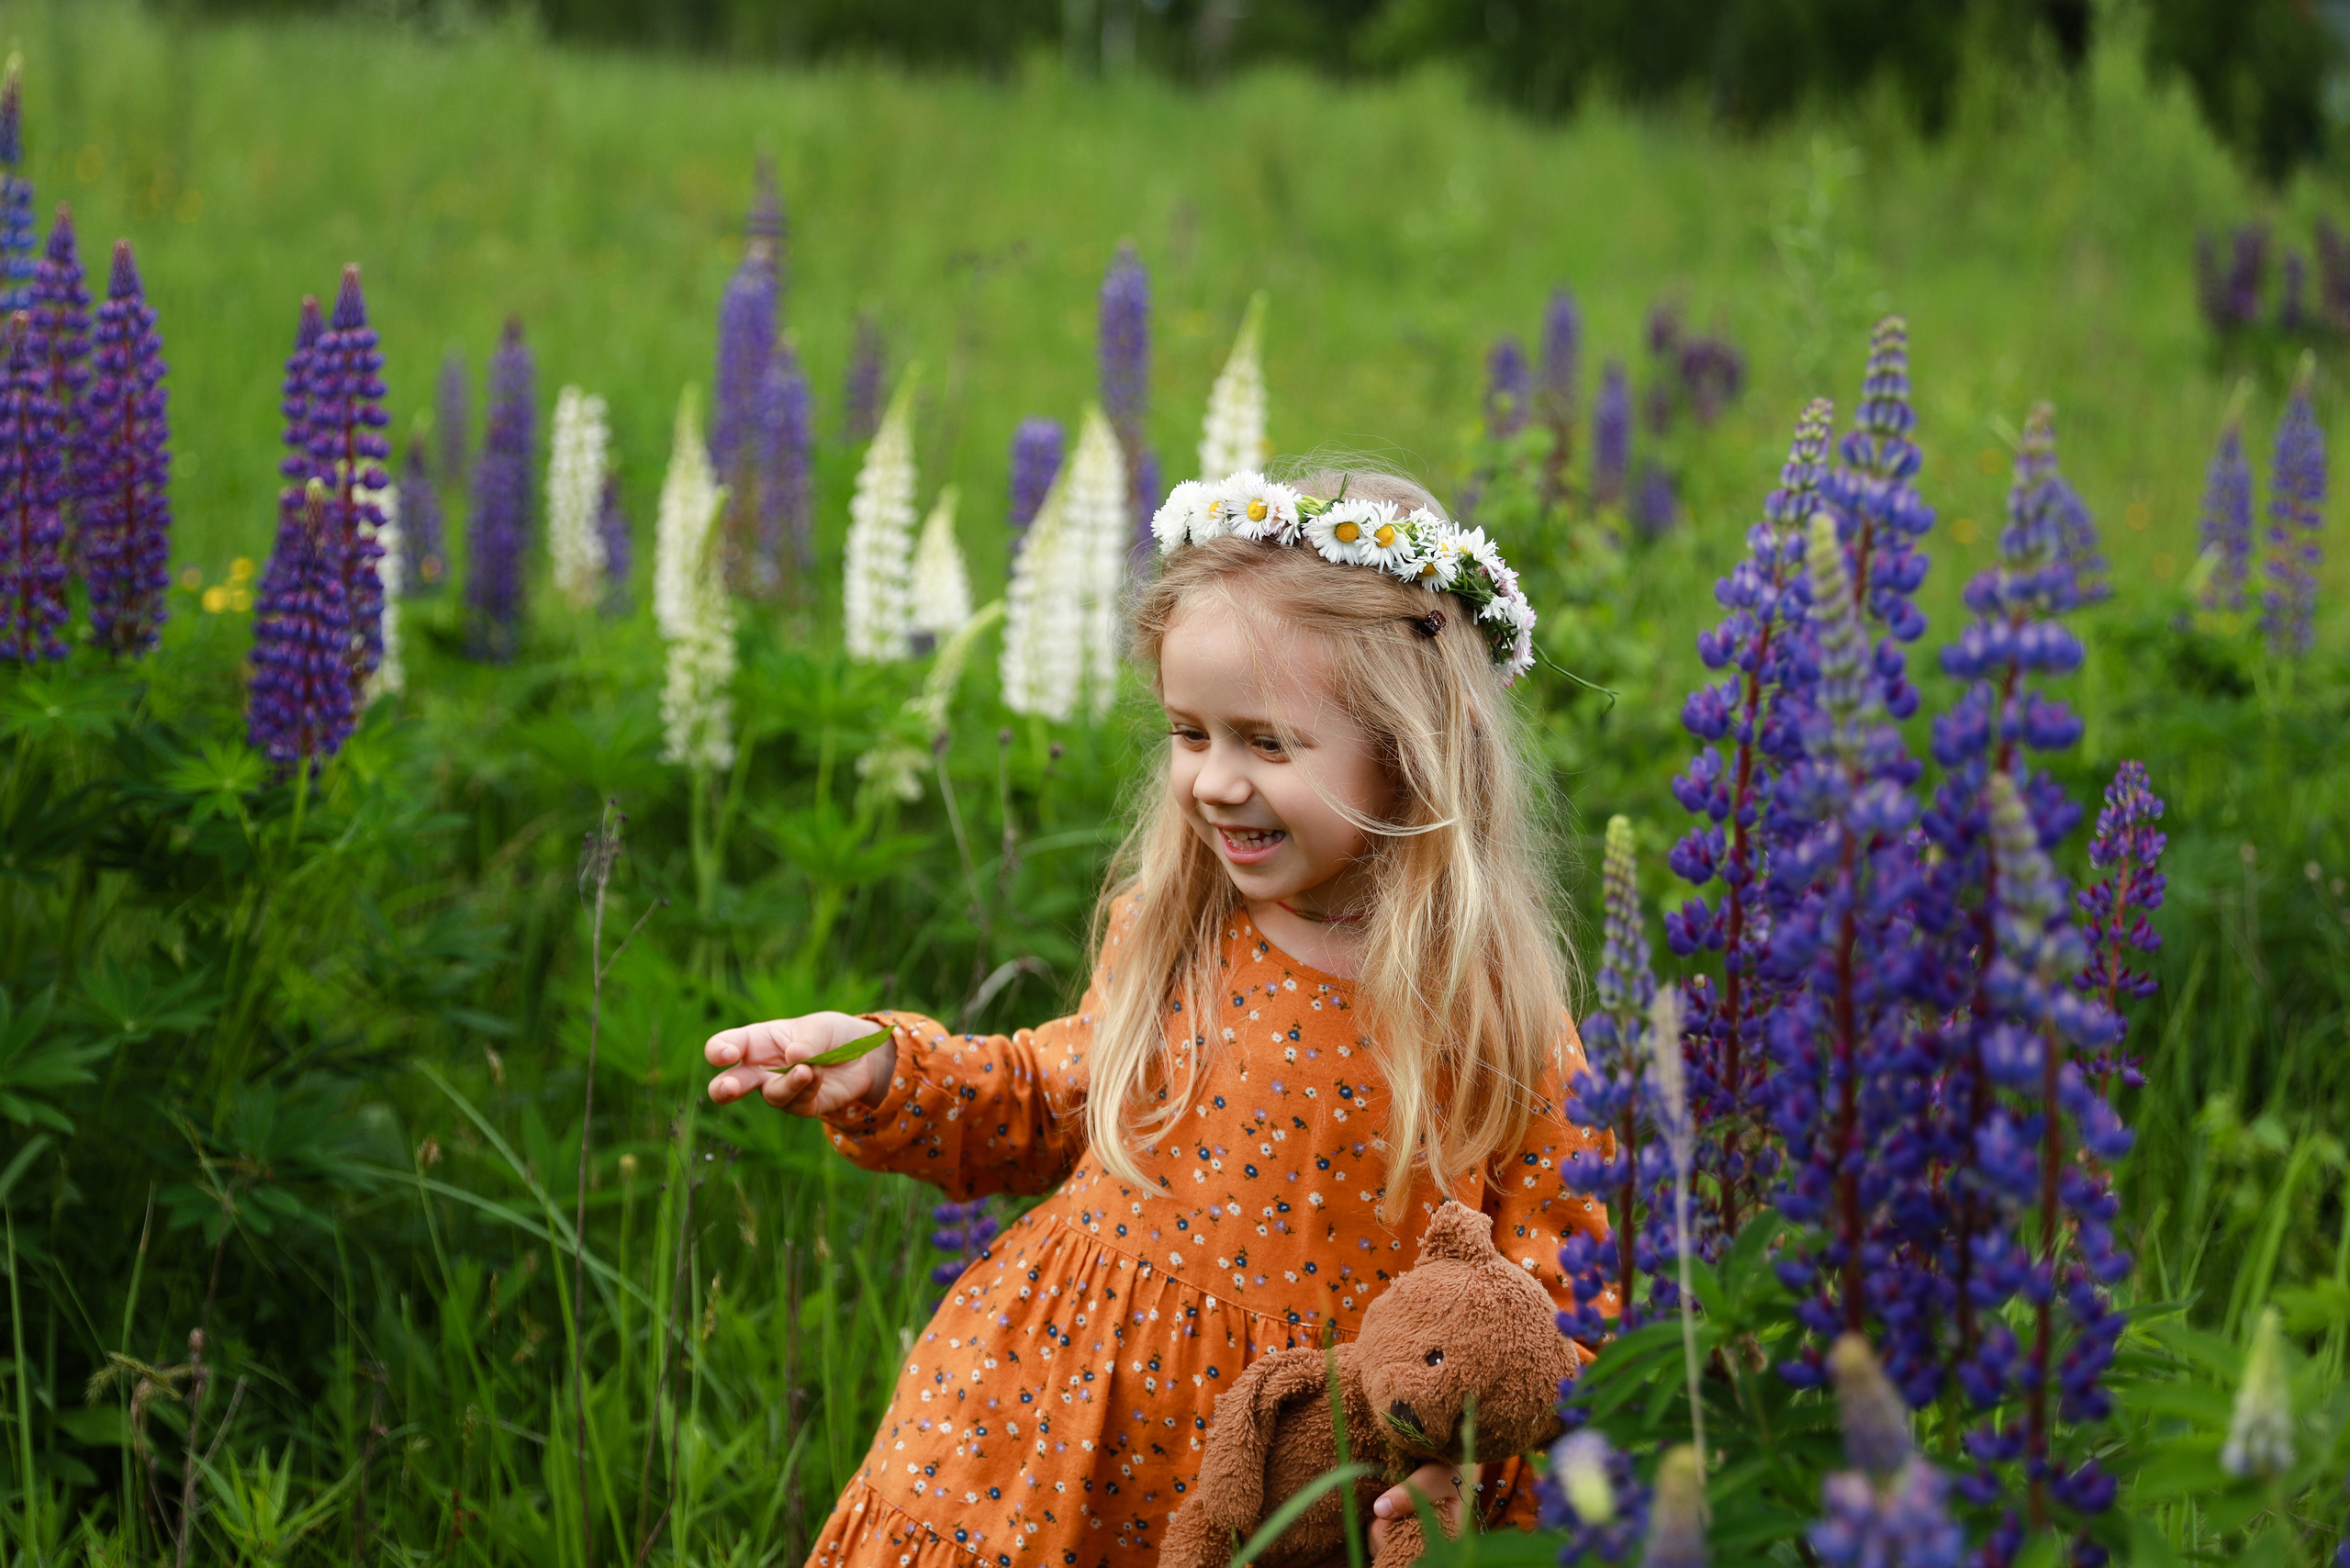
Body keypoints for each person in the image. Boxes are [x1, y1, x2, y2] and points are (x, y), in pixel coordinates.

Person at [705, 465, 1614, 1568]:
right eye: (1191, 733)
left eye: (1266, 743)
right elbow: (1049, 1098)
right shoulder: (1176, 929)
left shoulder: (1492, 1018)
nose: (1215, 782)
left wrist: (1465, 1465)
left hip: (1300, 1480)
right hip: (1050, 1433)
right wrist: (886, 1072)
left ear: (1413, 747)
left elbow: (1549, 1292)